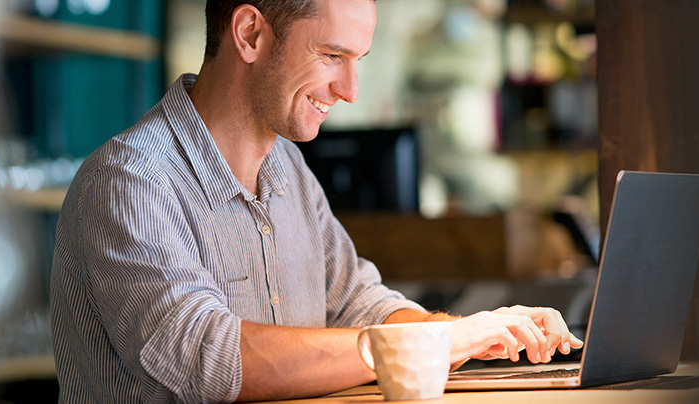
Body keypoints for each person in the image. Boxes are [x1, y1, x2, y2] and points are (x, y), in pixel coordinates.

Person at [49, 0, 584, 402]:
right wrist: (436, 341)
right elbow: (205, 357)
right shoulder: (130, 182)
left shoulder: (288, 168)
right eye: (332, 55)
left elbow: (358, 304)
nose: (350, 89)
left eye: (358, 60)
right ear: (251, 33)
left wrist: (478, 334)